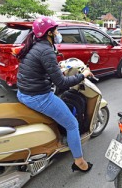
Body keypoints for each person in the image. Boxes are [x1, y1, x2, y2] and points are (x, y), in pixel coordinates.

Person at [16, 16, 93, 173]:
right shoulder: (45, 50)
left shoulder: (34, 46)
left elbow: (40, 70)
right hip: (38, 97)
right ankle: (79, 161)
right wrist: (83, 75)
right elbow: (62, 84)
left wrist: (57, 70)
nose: (58, 33)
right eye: (56, 30)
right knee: (72, 124)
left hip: (23, 93)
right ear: (49, 33)